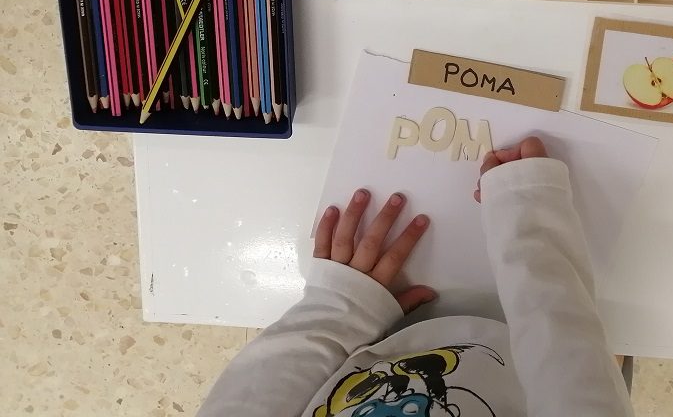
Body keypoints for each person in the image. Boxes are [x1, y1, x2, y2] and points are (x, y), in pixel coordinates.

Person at [197, 136, 633, 417]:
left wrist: (340, 310)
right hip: (545, 350)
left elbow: (247, 402)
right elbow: (577, 381)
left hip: (373, 341)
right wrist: (530, 220)